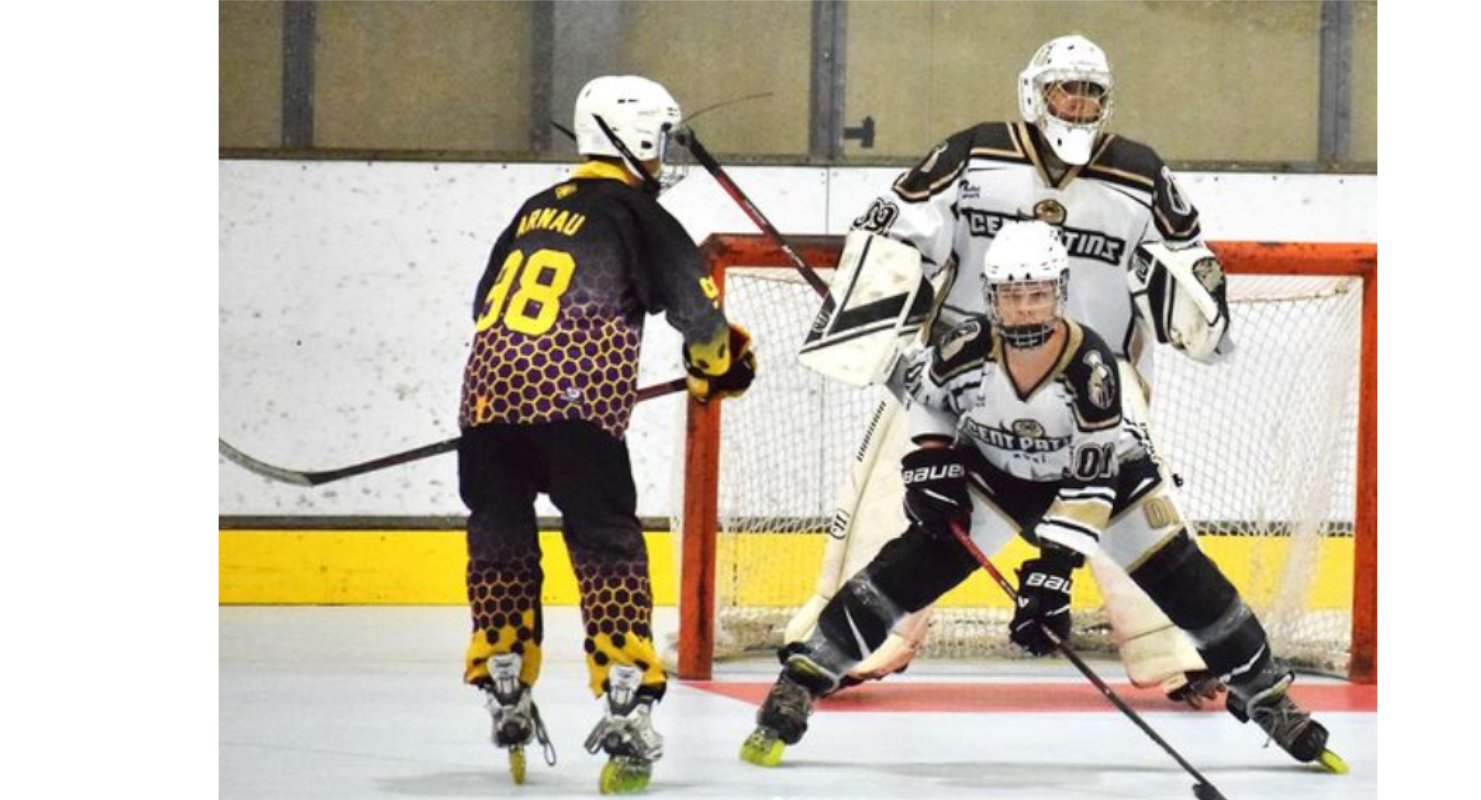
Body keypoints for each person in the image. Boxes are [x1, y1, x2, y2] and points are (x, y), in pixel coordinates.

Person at [745, 222, 1338, 770]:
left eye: (1037, 294)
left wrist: (1054, 570)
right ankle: (803, 679)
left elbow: (1091, 483)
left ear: (1060, 292)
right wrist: (930, 457)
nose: (1025, 307)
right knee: (902, 573)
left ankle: (1267, 696)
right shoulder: (964, 345)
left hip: (1109, 483)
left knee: (1189, 583)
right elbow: (926, 397)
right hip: (998, 477)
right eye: (1012, 295)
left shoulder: (1092, 369)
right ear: (991, 295)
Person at [785, 32, 1232, 705]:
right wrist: (878, 322)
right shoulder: (973, 153)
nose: (1078, 102)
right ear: (1035, 92)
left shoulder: (1141, 174)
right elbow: (896, 226)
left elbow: (1187, 264)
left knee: (1142, 506)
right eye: (1065, 89)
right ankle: (851, 644)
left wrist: (1198, 314)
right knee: (889, 496)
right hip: (966, 371)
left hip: (1093, 378)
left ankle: (1184, 651)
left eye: (1091, 92)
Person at [457, 74, 756, 790]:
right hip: (577, 410)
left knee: (499, 541)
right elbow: (700, 318)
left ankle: (503, 673)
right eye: (662, 139)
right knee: (606, 547)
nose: (666, 153)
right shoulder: (635, 211)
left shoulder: (535, 208)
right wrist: (719, 364)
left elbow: (484, 305)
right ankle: (625, 694)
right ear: (637, 138)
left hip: (485, 406)